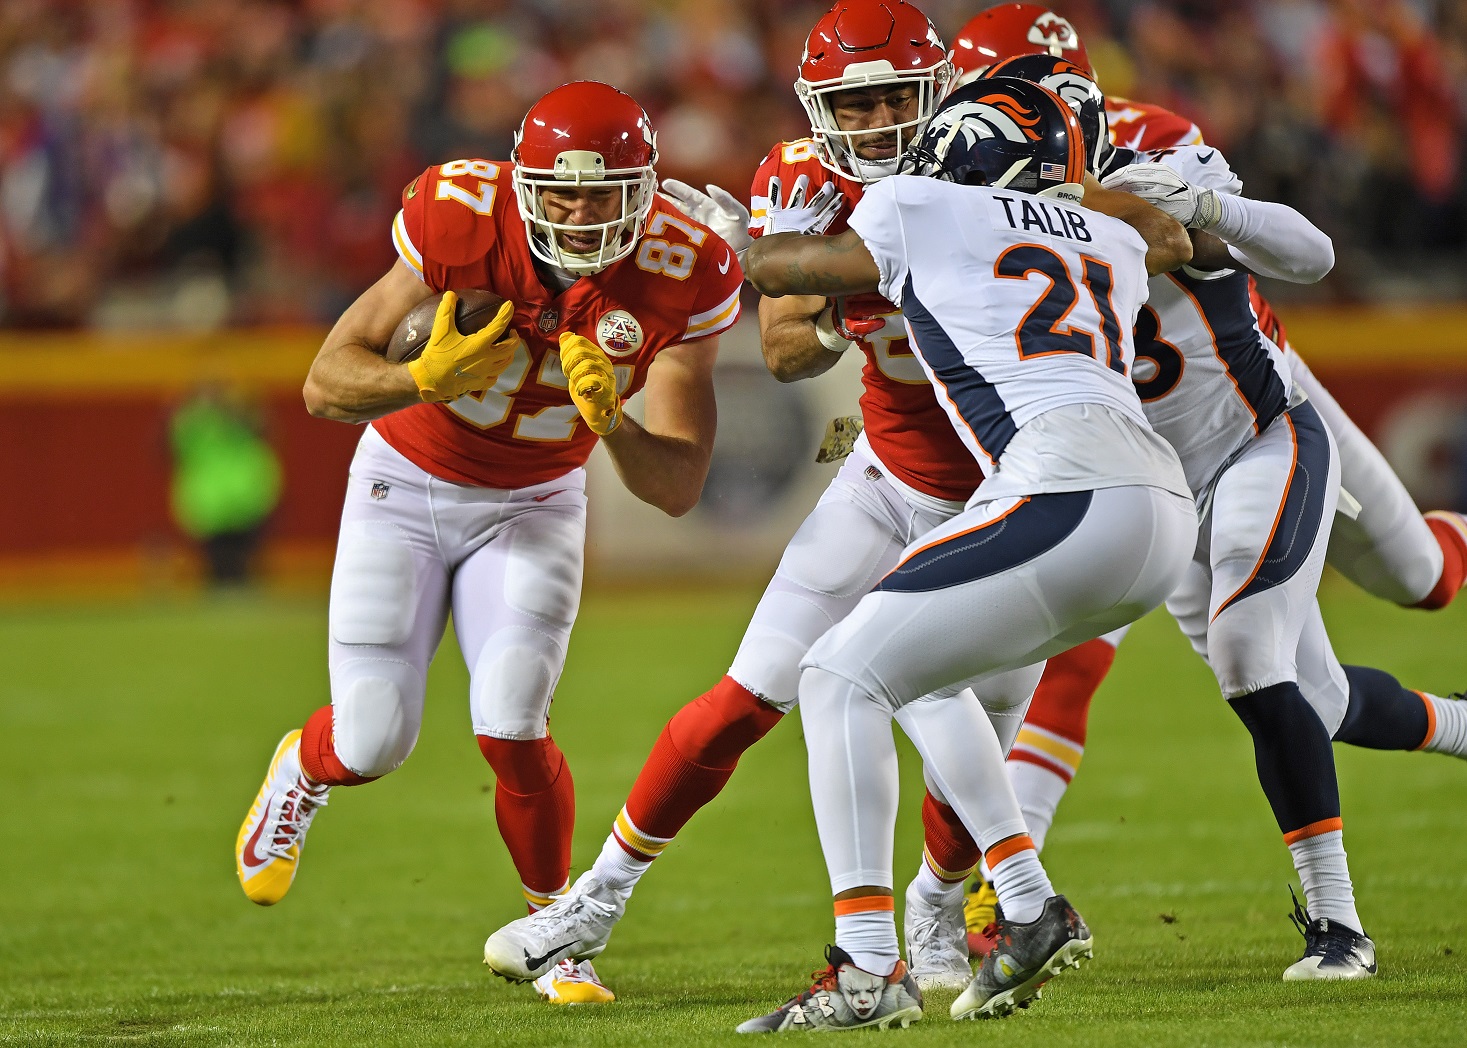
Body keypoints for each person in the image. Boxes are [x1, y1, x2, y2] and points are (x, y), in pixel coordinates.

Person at [482, 0, 1043, 1000]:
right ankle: (599, 897)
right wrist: (838, 294)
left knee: (974, 736)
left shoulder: (992, 160)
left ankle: (935, 899)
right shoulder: (801, 176)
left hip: (1009, 493)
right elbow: (785, 350)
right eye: (849, 101)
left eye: (885, 96)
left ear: (933, 88)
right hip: (888, 476)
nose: (869, 121)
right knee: (747, 691)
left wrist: (878, 278)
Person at [948, 4, 1467, 965]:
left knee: (1404, 587)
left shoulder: (1153, 158)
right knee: (1301, 699)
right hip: (1142, 485)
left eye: (1057, 96)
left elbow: (1311, 255)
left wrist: (1203, 211)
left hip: (1256, 432)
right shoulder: (955, 195)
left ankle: (1337, 925)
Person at [233, 80, 743, 1006]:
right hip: (406, 483)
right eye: (562, 191)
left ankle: (559, 935)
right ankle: (301, 771)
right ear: (523, 180)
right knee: (373, 739)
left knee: (512, 722)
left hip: (536, 499)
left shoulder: (685, 264)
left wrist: (615, 426)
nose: (583, 214)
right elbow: (324, 384)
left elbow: (674, 487)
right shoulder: (459, 215)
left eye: (606, 192)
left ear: (648, 189)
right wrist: (419, 378)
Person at [735, 77, 1197, 1031]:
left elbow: (786, 271)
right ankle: (1028, 907)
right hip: (1155, 506)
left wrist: (729, 231)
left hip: (1063, 492)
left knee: (831, 678)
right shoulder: (1105, 236)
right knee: (912, 673)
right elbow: (1167, 237)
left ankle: (868, 969)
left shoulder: (918, 202)